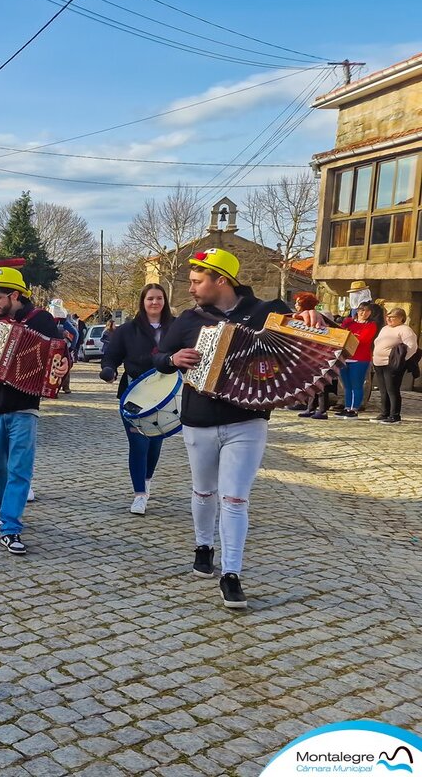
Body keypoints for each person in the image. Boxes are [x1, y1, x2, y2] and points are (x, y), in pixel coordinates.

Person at [154, 248, 319, 610]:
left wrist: (313, 315)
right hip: (198, 418)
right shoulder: (187, 319)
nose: (192, 288)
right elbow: (158, 359)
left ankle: (231, 574)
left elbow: (317, 335)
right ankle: (203, 546)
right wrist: (171, 359)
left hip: (248, 419)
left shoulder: (268, 312)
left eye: (198, 282)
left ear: (221, 281)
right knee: (203, 491)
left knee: (235, 498)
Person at [0, 266, 70, 556]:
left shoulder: (42, 320)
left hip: (25, 407)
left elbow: (61, 353)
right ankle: (2, 506)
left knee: (20, 468)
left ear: (14, 295)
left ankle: (11, 526)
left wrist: (63, 365)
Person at [100, 284, 174, 515]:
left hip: (167, 394)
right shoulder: (127, 330)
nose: (155, 302)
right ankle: (139, 494)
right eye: (150, 298)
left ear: (165, 301)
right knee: (139, 444)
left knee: (155, 444)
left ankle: (148, 480)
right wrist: (109, 370)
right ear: (142, 301)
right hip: (135, 393)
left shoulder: (176, 327)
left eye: (159, 298)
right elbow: (111, 356)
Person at [371, 307, 418, 425]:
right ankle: (384, 413)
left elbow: (412, 347)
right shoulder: (385, 329)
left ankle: (394, 415)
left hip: (391, 364)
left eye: (392, 317)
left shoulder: (405, 330)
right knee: (383, 390)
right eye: (388, 317)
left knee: (392, 390)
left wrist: (400, 361)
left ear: (401, 318)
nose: (389, 319)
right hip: (379, 363)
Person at [334, 301, 380, 419]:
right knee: (347, 385)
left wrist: (350, 335)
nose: (363, 313)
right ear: (357, 311)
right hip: (346, 357)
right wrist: (347, 327)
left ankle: (354, 409)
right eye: (361, 310)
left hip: (360, 358)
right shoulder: (350, 323)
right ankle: (347, 407)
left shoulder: (371, 325)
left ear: (370, 313)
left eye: (367, 311)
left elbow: (362, 340)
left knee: (357, 385)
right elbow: (340, 335)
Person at [49, 299, 76, 394]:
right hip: (51, 346)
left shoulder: (64, 321)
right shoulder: (49, 320)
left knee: (65, 365)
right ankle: (52, 385)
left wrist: (72, 347)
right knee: (52, 366)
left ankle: (65, 386)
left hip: (63, 346)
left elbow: (75, 333)